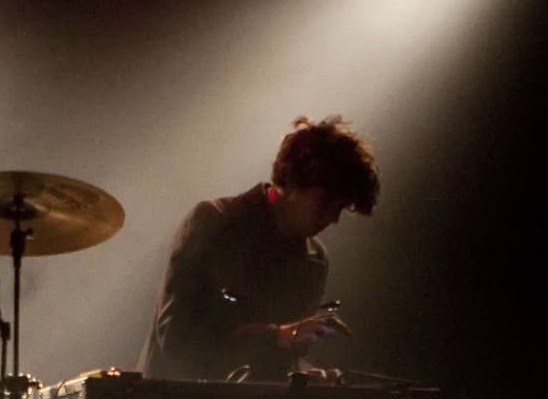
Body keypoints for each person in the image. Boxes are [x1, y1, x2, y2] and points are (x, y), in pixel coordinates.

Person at [139, 115, 378, 381]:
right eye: (325, 202)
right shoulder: (215, 222)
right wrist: (279, 336)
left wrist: (310, 378)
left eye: (339, 208)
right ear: (292, 180)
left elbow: (275, 364)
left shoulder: (315, 259)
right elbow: (178, 344)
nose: (333, 218)